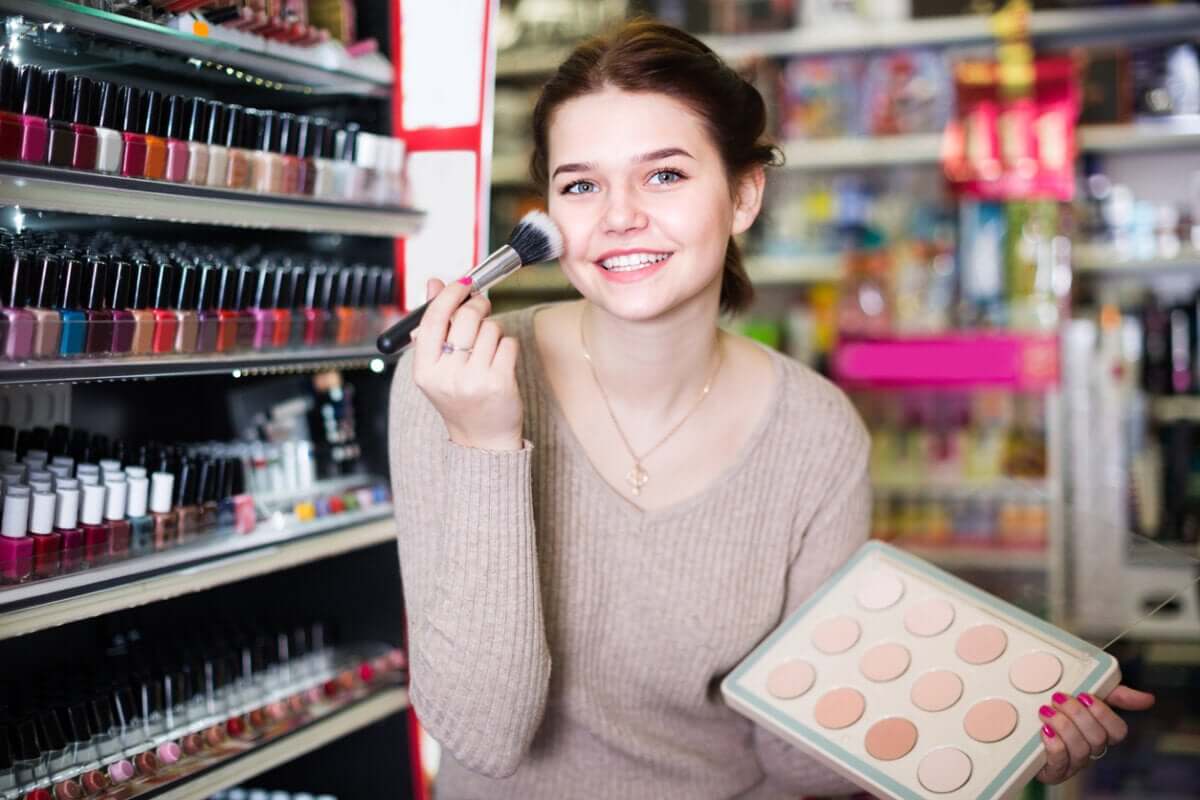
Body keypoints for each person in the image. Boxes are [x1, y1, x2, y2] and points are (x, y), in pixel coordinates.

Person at [387, 19, 1154, 799]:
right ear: (547, 211)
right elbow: (485, 735)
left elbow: (793, 758)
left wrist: (995, 718)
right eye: (581, 185)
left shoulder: (815, 432)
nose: (618, 216)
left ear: (744, 194)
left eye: (665, 176)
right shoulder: (451, 383)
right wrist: (484, 445)